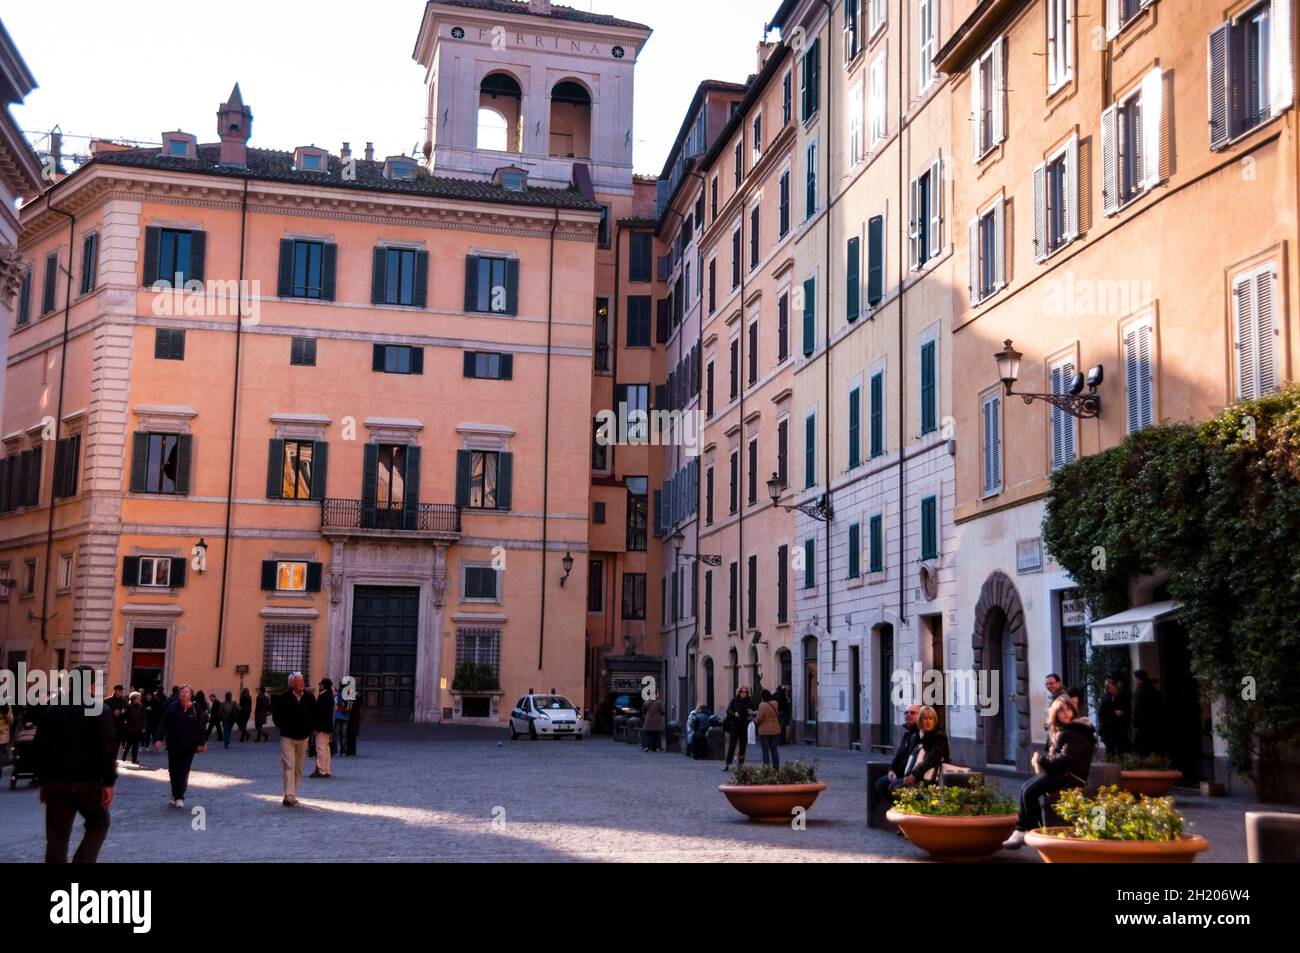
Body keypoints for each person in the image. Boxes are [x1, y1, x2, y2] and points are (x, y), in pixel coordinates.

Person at [34, 667, 118, 863]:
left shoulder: (53, 710)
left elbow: (40, 748)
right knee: (99, 823)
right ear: (92, 684)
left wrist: (43, 781)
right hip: (88, 782)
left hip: (56, 782)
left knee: (56, 837)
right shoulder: (100, 711)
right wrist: (108, 783)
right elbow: (107, 750)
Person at [1004, 695, 1096, 849]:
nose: (1065, 713)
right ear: (1055, 714)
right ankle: (1023, 830)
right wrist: (1040, 758)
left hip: (1071, 776)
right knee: (1025, 788)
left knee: (1030, 792)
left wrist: (1042, 760)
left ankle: (1031, 830)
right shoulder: (1060, 731)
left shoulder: (1075, 731)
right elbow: (1052, 754)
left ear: (1073, 711)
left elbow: (1066, 759)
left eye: (1068, 709)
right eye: (1061, 711)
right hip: (1061, 772)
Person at [154, 685, 207, 808]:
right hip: (173, 744)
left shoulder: (196, 708)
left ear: (191, 694)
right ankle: (175, 793)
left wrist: (201, 742)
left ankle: (179, 796)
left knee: (183, 771)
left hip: (189, 746)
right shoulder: (172, 707)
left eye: (186, 692)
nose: (184, 694)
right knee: (173, 771)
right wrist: (158, 738)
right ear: (179, 694)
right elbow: (163, 723)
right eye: (182, 692)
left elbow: (201, 726)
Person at [873, 704, 921, 824]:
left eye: (912, 713)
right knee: (880, 783)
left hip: (910, 774)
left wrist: (901, 773)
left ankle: (904, 816)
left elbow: (912, 759)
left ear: (919, 715)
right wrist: (891, 769)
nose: (908, 715)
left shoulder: (919, 734)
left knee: (891, 787)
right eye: (906, 712)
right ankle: (901, 812)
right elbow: (899, 755)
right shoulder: (907, 732)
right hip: (900, 773)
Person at [274, 673, 315, 805]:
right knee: (289, 766)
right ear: (292, 684)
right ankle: (289, 795)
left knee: (298, 767)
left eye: (302, 680)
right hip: (287, 736)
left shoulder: (309, 697)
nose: (302, 683)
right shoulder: (283, 698)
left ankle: (293, 792)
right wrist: (283, 727)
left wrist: (310, 729)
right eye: (299, 681)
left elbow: (315, 713)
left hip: (303, 736)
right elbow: (276, 716)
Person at [892, 705, 948, 791]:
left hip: (932, 777)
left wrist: (914, 775)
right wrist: (896, 771)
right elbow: (912, 758)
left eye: (931, 718)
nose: (928, 722)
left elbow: (930, 759)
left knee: (896, 789)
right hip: (919, 774)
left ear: (934, 720)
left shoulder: (939, 736)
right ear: (920, 721)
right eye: (925, 718)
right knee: (892, 786)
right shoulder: (920, 736)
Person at [1132, 669, 1166, 756]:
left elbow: (1136, 709)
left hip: (1142, 727)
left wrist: (1135, 725)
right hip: (1156, 726)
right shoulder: (1155, 691)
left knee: (1142, 753)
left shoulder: (1139, 692)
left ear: (1137, 679)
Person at [722, 686, 755, 771]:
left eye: (745, 692)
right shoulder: (734, 700)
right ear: (739, 692)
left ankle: (740, 764)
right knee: (732, 745)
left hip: (744, 726)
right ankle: (728, 764)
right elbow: (728, 710)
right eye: (742, 691)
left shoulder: (749, 701)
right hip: (735, 725)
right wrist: (734, 714)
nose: (744, 693)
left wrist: (751, 713)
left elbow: (753, 712)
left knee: (743, 745)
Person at [1097, 678, 1130, 757]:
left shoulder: (1122, 696)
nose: (1112, 690)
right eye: (1110, 688)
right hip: (1109, 729)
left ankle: (1123, 767)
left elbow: (1128, 709)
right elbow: (1101, 713)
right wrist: (1113, 713)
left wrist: (1123, 712)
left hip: (1120, 728)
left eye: (1113, 687)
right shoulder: (1105, 698)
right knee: (1110, 751)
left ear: (1116, 686)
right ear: (1107, 689)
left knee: (1121, 750)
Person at [310, 678, 335, 778]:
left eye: (320, 684)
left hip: (322, 727)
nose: (319, 685)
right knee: (326, 748)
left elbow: (320, 714)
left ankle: (321, 770)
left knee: (320, 748)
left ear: (323, 685)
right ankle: (327, 769)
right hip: (327, 726)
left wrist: (316, 727)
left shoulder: (323, 696)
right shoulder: (330, 696)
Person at [754, 689, 782, 770]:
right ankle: (776, 767)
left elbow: (760, 718)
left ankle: (766, 767)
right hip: (775, 729)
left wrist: (754, 720)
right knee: (774, 749)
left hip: (765, 730)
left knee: (765, 750)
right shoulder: (775, 703)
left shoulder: (762, 705)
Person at [123, 692, 147, 765]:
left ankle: (134, 759)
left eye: (140, 697)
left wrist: (143, 727)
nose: (140, 699)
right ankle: (124, 755)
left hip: (138, 728)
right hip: (130, 728)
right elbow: (125, 716)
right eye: (138, 698)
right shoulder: (129, 706)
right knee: (129, 743)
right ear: (134, 699)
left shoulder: (142, 707)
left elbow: (144, 718)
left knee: (136, 744)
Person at [345, 690, 362, 756]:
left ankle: (349, 750)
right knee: (352, 737)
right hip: (354, 721)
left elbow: (348, 710)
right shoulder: (356, 701)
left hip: (351, 721)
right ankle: (352, 750)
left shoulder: (352, 702)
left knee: (350, 737)